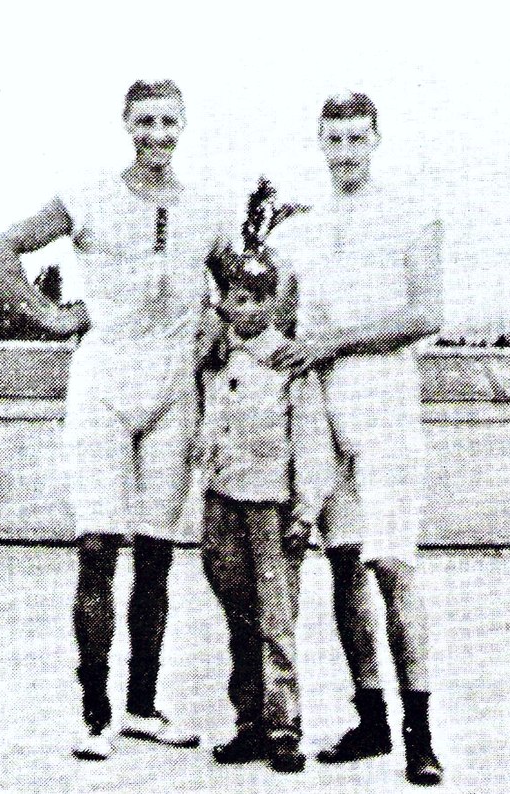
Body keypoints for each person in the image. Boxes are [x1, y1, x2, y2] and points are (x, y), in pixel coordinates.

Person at [0, 79, 228, 760]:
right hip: (104, 387)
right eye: (145, 121)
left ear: (185, 125)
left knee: (155, 558)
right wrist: (52, 317)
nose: (157, 134)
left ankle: (143, 706)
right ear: (126, 124)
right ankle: (94, 712)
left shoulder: (208, 207)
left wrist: (222, 327)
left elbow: (242, 291)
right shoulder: (88, 194)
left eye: (169, 121)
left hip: (174, 390)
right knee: (98, 549)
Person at [267, 91, 444, 785]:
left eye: (356, 139)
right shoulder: (300, 232)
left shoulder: (411, 212)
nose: (345, 152)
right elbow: (277, 323)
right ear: (320, 142)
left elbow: (427, 311)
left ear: (375, 140)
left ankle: (419, 733)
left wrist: (333, 339)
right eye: (334, 139)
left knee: (392, 566)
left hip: (385, 404)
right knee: (342, 565)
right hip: (322, 409)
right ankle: (370, 719)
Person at [197, 227, 335, 773]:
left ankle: (284, 729)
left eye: (258, 298)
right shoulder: (215, 361)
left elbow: (310, 442)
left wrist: (306, 512)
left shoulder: (287, 364)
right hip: (222, 504)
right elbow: (207, 428)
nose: (247, 308)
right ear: (225, 302)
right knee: (238, 617)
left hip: (272, 509)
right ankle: (249, 723)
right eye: (237, 297)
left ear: (275, 302)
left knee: (276, 621)